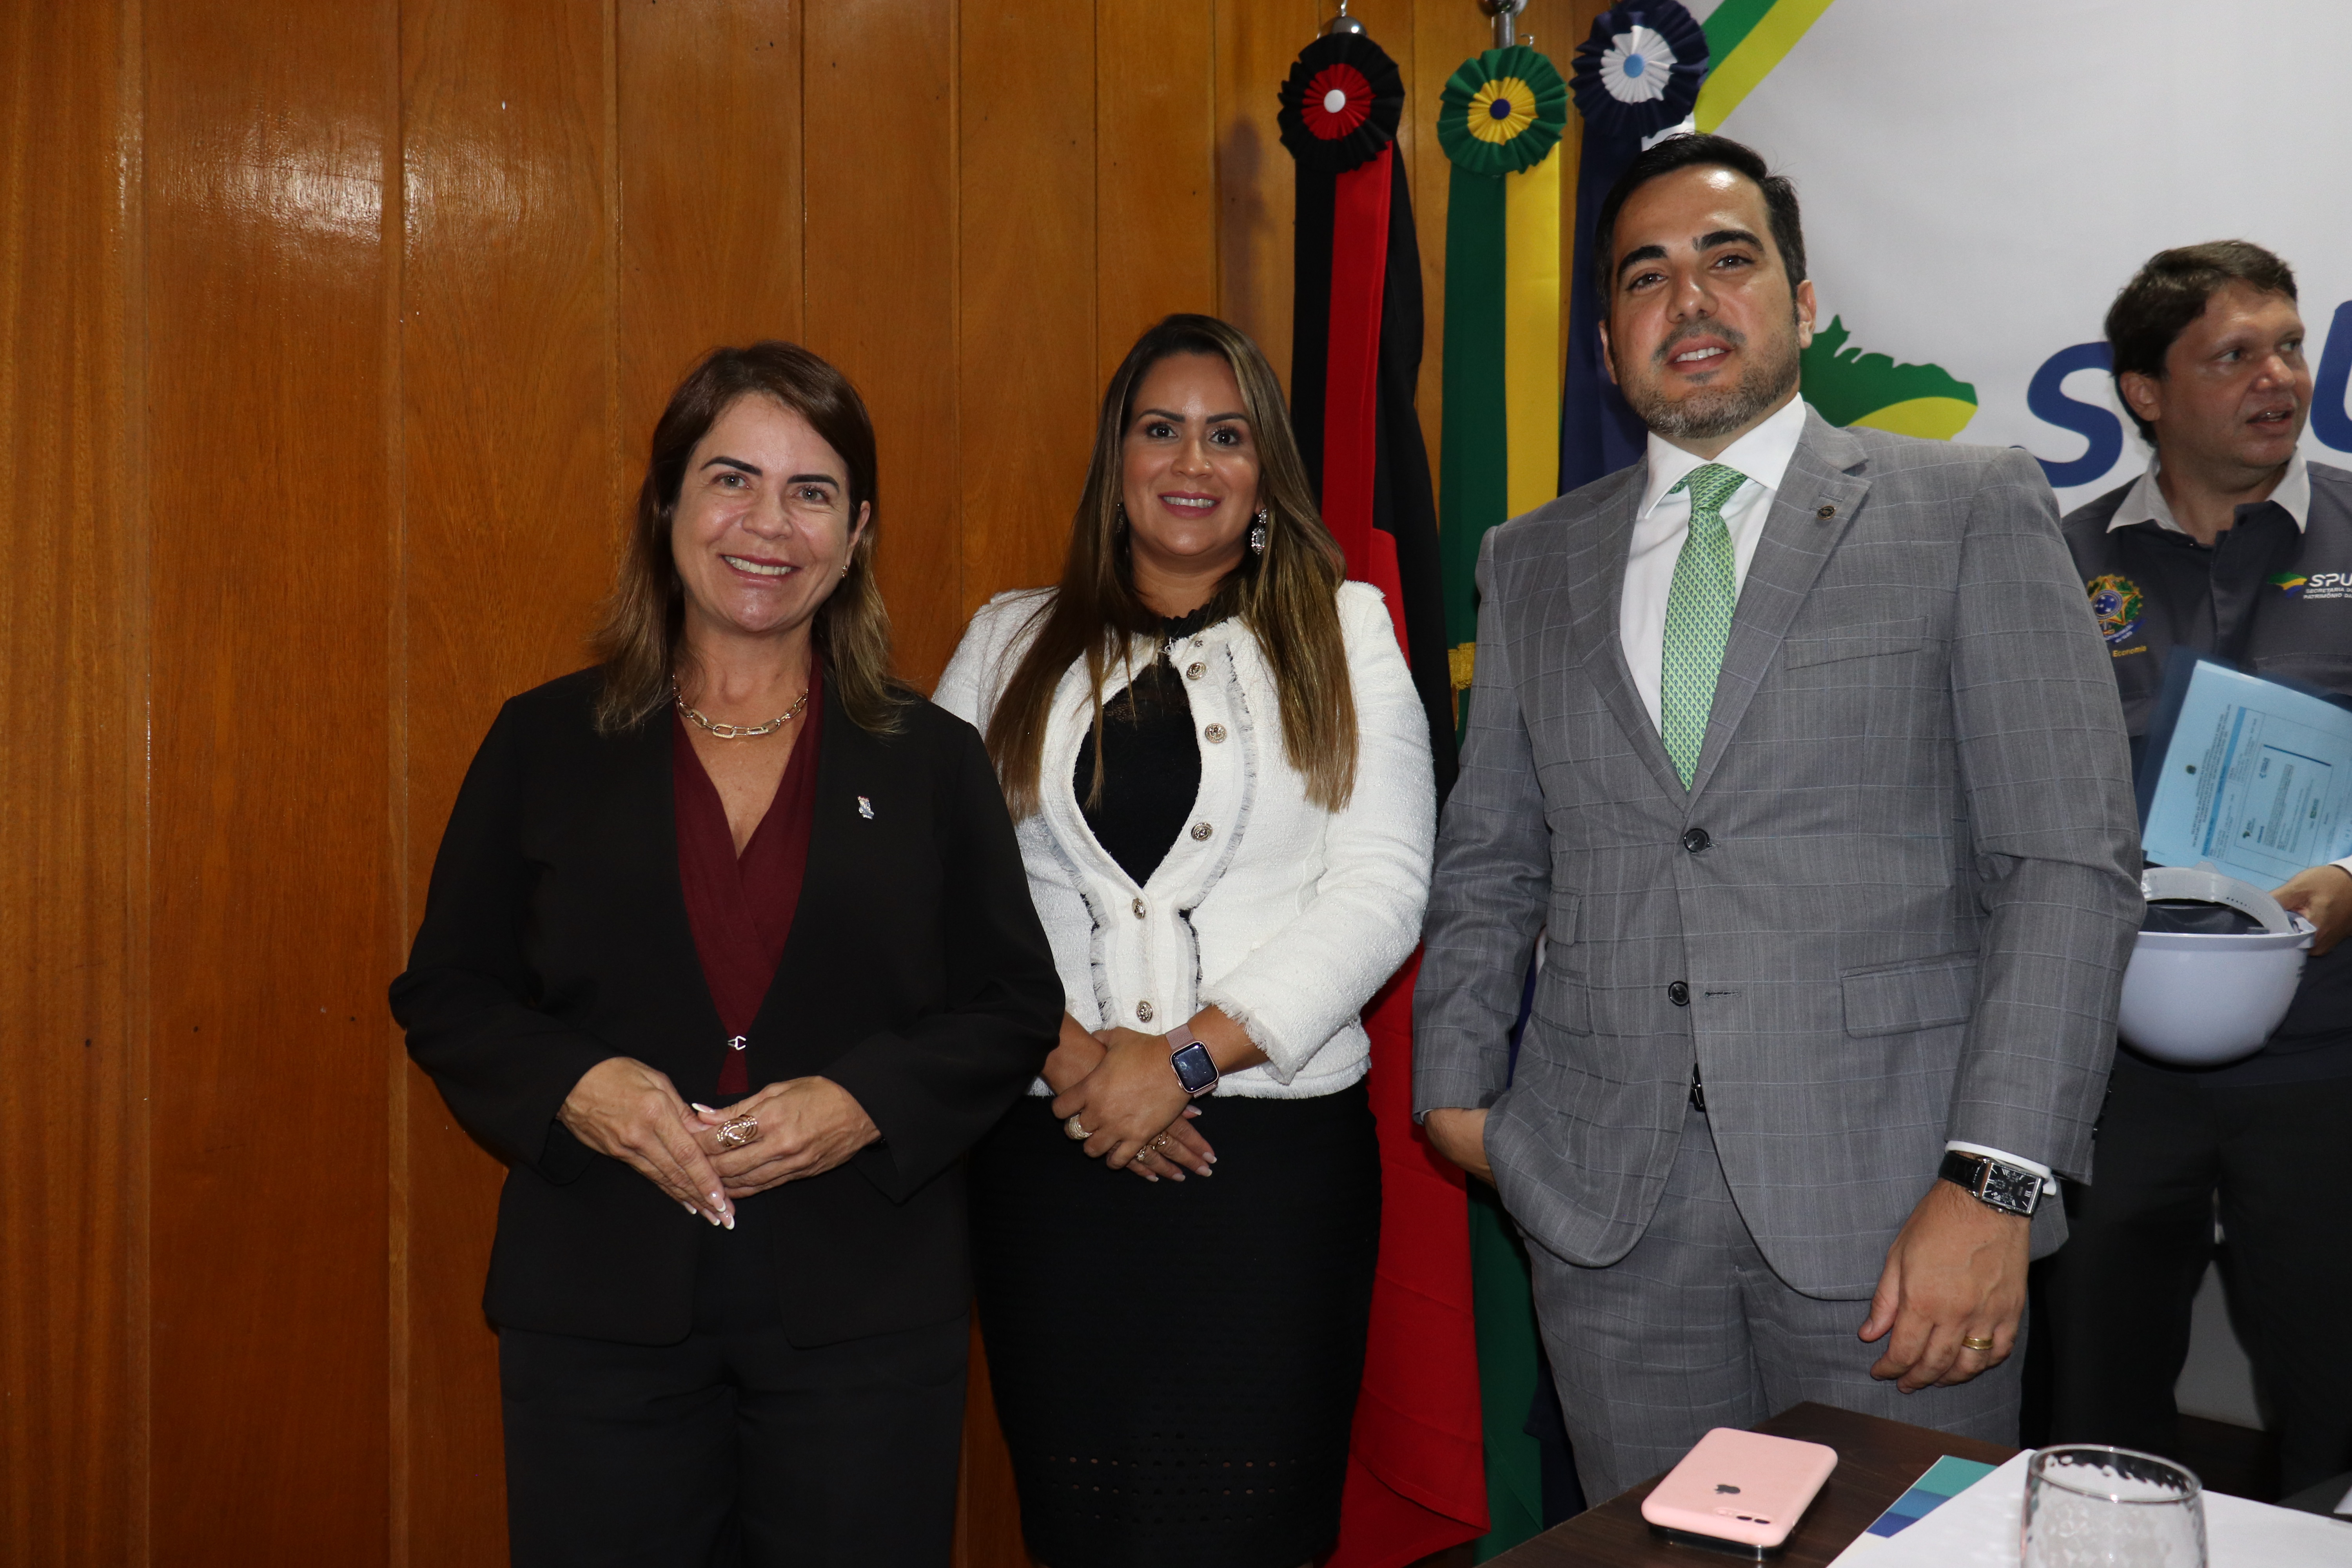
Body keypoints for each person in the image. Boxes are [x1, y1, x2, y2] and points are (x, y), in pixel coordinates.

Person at [1411, 133, 2142, 1502]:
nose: (1688, 300)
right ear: (1608, 343)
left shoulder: (1966, 508)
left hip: (1900, 1209)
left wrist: (1993, 1187)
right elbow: (1494, 851)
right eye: (1645, 276)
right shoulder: (1532, 560)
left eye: (1727, 259)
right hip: (1604, 1214)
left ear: (1802, 303)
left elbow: (2068, 867)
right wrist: (1455, 1093)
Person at [390, 342, 1061, 1567]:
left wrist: (865, 1102)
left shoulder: (932, 759)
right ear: (668, 506)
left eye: (812, 492)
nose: (769, 524)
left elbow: (1015, 1003)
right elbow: (447, 991)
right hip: (599, 1308)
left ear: (856, 533)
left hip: (865, 1317)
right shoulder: (543, 741)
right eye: (732, 479)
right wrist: (577, 1087)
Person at [934, 313, 1434, 1568]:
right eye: (1161, 429)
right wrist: (1080, 1068)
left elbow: (1383, 891)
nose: (1192, 461)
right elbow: (933, 890)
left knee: (1257, 1523)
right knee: (1082, 1518)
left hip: (1269, 1177)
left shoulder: (1344, 627)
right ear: (1118, 459)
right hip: (1055, 1158)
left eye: (1228, 436)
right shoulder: (1006, 640)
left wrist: (1182, 1062)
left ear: (1267, 475)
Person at [2038, 241, 2352, 1494]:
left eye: (2290, 347)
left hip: (2329, 1056)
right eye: (2234, 356)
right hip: (2113, 1071)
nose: (2280, 379)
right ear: (2145, 393)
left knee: (2342, 1395)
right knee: (2094, 1399)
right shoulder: (2056, 561)